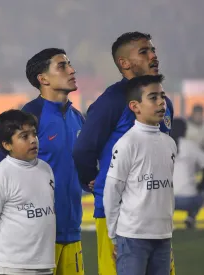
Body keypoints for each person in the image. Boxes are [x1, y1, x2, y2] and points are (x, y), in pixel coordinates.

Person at [73, 32, 175, 275]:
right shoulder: (111, 101)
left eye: (153, 50)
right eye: (144, 51)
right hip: (118, 215)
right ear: (124, 63)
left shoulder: (164, 103)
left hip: (156, 216)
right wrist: (93, 180)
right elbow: (83, 149)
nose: (153, 56)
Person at [0, 48, 86, 275]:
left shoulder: (78, 118)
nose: (71, 70)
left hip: (72, 231)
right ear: (43, 78)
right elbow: (3, 172)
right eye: (62, 66)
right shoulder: (29, 117)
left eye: (69, 64)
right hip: (37, 237)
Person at [104, 74, 176, 275]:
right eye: (153, 97)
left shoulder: (169, 143)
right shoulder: (127, 144)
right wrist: (114, 235)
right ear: (135, 106)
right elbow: (112, 191)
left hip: (163, 236)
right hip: (132, 236)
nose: (161, 102)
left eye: (162, 96)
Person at [0, 109, 56, 275]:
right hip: (13, 267)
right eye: (24, 136)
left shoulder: (46, 169)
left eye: (34, 134)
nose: (33, 140)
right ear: (7, 145)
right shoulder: (0, 176)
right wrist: (1, 253)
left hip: (45, 265)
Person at [170, 118, 204, 229]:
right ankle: (191, 218)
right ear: (185, 130)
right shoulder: (191, 145)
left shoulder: (161, 145)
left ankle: (165, 220)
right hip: (189, 200)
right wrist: (200, 185)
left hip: (165, 201)